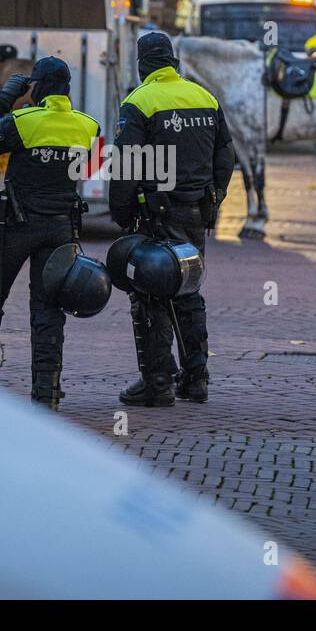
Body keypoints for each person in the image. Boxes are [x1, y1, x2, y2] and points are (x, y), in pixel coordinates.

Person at [0, 58, 100, 408]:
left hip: (16, 226)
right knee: (49, 309)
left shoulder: (23, 121)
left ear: (36, 87)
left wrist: (5, 96)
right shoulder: (87, 126)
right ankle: (46, 391)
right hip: (61, 229)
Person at [110, 32, 235, 407]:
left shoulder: (139, 101)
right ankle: (196, 379)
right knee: (188, 289)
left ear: (142, 65)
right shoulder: (204, 97)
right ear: (174, 62)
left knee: (150, 293)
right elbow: (225, 152)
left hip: (156, 214)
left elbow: (126, 165)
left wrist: (122, 213)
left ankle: (158, 382)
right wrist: (215, 196)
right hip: (196, 210)